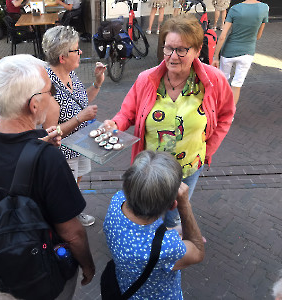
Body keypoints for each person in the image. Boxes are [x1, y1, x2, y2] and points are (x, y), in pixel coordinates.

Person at [0, 54, 95, 299]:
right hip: (46, 270)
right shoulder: (49, 159)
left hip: (4, 259)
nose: (53, 96)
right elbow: (72, 233)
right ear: (34, 105)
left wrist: (36, 148)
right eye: (51, 90)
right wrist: (88, 265)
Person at [104, 15, 235, 228]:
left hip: (189, 165)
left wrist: (208, 150)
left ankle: (171, 239)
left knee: (174, 214)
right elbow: (127, 113)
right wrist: (115, 125)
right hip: (150, 170)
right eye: (168, 48)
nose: (173, 56)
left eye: (181, 50)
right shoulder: (146, 79)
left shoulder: (213, 80)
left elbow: (226, 115)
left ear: (197, 49)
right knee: (147, 212)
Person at [104, 150, 205, 299]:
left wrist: (171, 230)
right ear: (172, 205)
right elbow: (197, 251)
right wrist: (184, 205)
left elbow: (142, 232)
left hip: (124, 285)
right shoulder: (167, 247)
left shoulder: (117, 201)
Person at [41, 25, 105, 227]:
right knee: (62, 190)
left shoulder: (70, 74)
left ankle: (75, 211)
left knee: (76, 181)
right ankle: (64, 223)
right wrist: (79, 118)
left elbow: (80, 101)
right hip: (62, 153)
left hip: (79, 144)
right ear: (62, 57)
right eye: (77, 49)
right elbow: (49, 133)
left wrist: (97, 83)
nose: (81, 52)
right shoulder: (47, 84)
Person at [211, 0, 269, 105]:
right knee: (237, 85)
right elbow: (258, 36)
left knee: (223, 82)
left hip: (228, 51)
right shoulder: (264, 8)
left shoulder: (235, 9)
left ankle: (218, 109)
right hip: (247, 52)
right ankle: (230, 115)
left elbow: (222, 36)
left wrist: (215, 57)